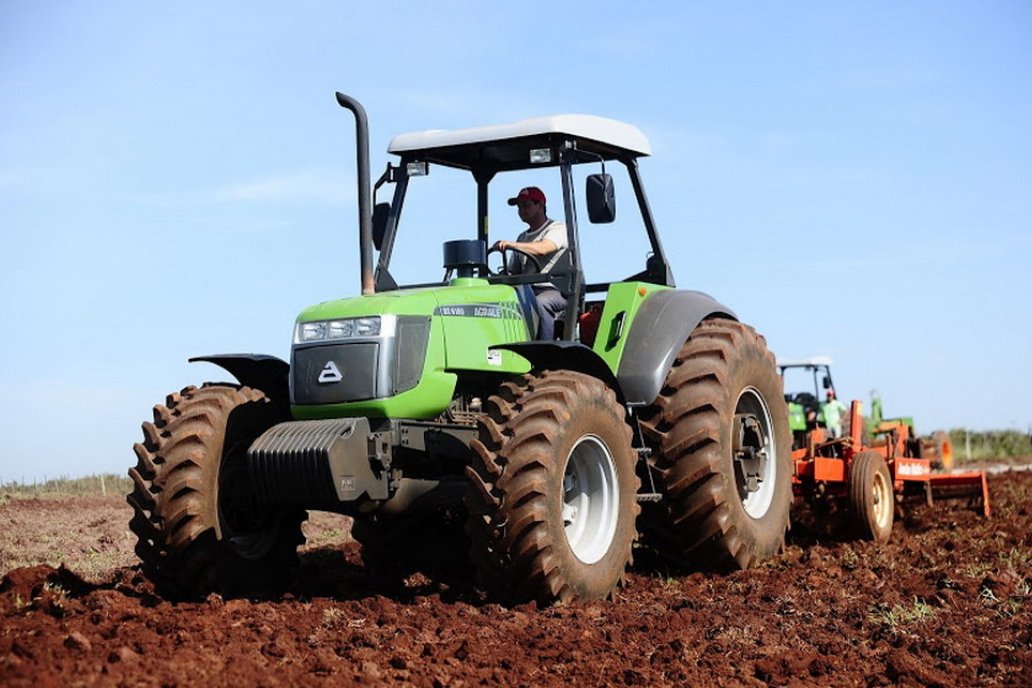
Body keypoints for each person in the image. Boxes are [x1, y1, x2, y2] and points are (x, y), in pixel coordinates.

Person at [491, 186, 568, 340]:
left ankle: (545, 348)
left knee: (541, 302)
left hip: (556, 291)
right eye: (519, 207)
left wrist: (510, 245)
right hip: (526, 291)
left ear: (540, 205)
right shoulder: (522, 237)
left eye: (526, 205)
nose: (521, 210)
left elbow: (544, 248)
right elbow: (513, 271)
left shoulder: (557, 229)